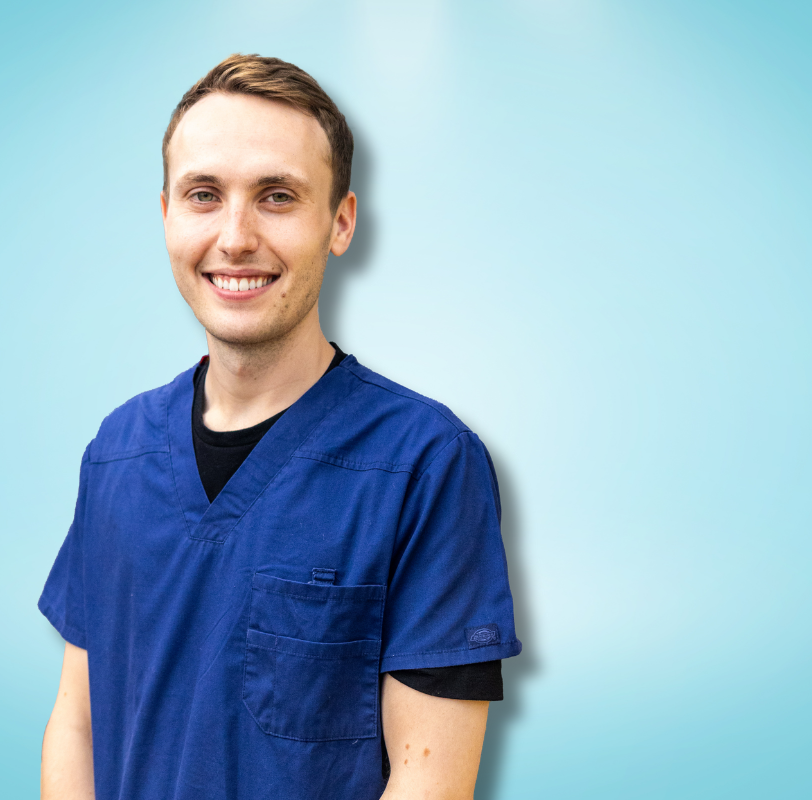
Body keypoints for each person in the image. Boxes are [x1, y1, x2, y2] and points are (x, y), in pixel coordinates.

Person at [38, 54, 521, 800]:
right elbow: (78, 722)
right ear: (166, 214)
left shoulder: (425, 465)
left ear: (340, 222)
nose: (235, 237)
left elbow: (431, 783)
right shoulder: (117, 453)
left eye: (276, 196)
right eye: (204, 194)